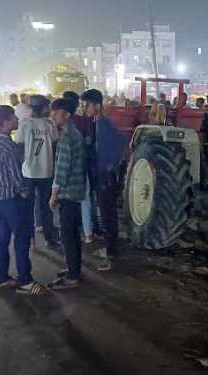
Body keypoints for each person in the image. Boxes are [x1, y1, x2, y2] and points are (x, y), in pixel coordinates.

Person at [0, 106, 47, 296]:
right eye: (14, 117)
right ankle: (25, 280)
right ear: (6, 122)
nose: (17, 119)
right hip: (13, 201)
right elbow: (18, 177)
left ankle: (1, 278)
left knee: (1, 239)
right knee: (22, 239)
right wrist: (25, 193)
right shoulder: (9, 146)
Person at [81, 89, 128, 272]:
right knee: (104, 211)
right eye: (83, 105)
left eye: (87, 105)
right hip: (100, 173)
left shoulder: (104, 124)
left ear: (98, 106)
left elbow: (122, 142)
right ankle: (110, 248)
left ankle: (112, 253)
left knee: (108, 213)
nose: (85, 108)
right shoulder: (96, 123)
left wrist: (111, 165)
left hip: (104, 175)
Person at [47, 99, 86, 290]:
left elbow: (62, 170)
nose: (53, 116)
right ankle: (74, 269)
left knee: (67, 235)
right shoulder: (74, 133)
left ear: (67, 115)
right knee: (72, 233)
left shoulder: (67, 137)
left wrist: (54, 195)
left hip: (68, 192)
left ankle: (72, 276)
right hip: (76, 190)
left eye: (57, 113)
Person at [14, 95, 60, 250]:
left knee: (28, 207)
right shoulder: (50, 124)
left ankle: (31, 241)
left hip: (28, 172)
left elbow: (19, 148)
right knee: (46, 207)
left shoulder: (24, 125)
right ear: (43, 108)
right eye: (47, 106)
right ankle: (49, 239)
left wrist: (25, 163)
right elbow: (54, 146)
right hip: (46, 171)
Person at [63, 91, 95, 244]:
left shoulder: (60, 123)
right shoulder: (85, 121)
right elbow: (89, 141)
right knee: (85, 199)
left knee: (68, 201)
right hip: (82, 165)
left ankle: (70, 233)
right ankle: (88, 234)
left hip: (65, 167)